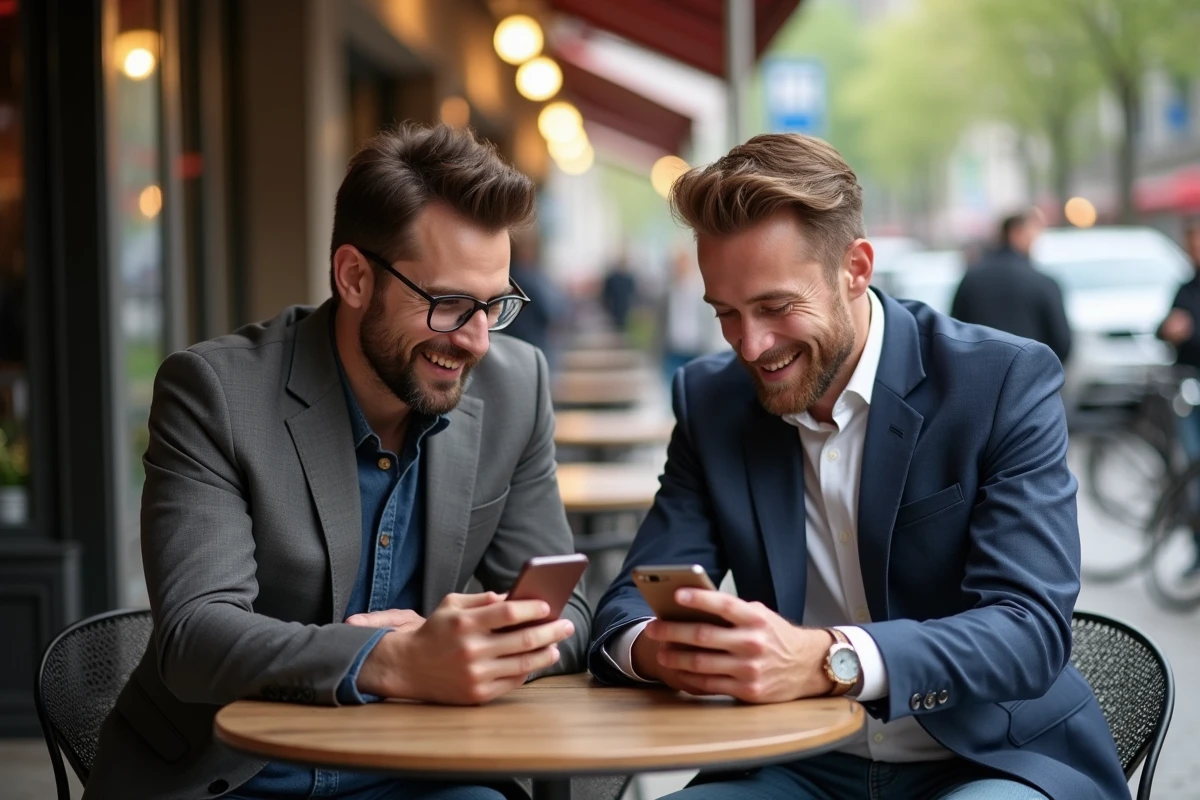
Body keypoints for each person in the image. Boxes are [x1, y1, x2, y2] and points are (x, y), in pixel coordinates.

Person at [588, 133, 1127, 799]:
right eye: (726, 314)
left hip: (989, 760)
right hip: (790, 762)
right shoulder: (712, 400)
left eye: (776, 307)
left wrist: (828, 660)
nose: (750, 345)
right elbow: (624, 607)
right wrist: (658, 648)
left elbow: (1028, 629)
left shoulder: (1001, 381)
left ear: (857, 267)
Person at [86, 124, 590, 800]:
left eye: (494, 304)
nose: (475, 341)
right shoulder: (213, 392)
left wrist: (482, 649)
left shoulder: (514, 384)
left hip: (421, 772)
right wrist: (393, 660)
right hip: (231, 775)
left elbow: (571, 612)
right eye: (447, 304)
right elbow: (195, 637)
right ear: (355, 277)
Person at [950, 210, 1073, 366]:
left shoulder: (971, 279)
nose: (1036, 241)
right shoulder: (1043, 282)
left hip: (979, 376)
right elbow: (1062, 343)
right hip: (1031, 379)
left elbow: (955, 332)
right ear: (1015, 233)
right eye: (1033, 233)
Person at [1157, 218, 1200, 578]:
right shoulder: (1186, 287)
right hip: (1189, 391)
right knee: (1192, 473)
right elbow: (1164, 327)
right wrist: (1168, 330)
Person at [503, 233, 569, 368]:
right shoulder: (530, 278)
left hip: (511, 346)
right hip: (534, 345)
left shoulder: (507, 276)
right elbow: (553, 310)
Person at [600, 250, 638, 332]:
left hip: (625, 308)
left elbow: (633, 294)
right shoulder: (612, 278)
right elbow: (606, 295)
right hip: (614, 309)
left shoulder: (629, 278)